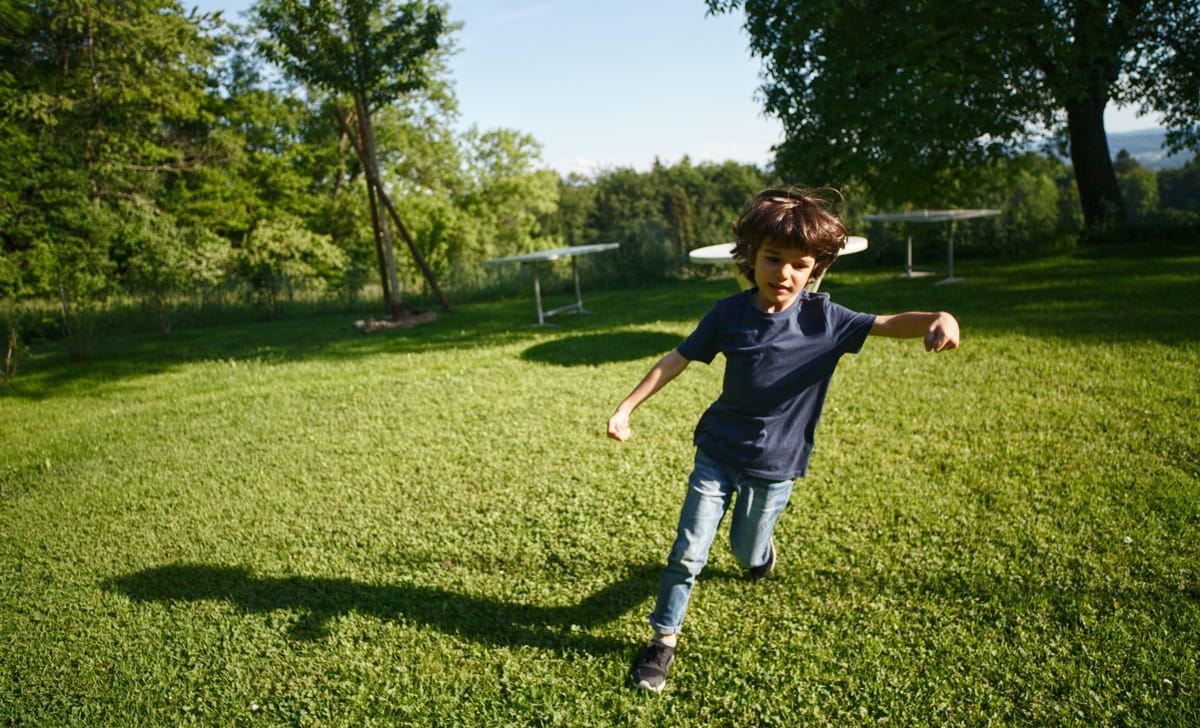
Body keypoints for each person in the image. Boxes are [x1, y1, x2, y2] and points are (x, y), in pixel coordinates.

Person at [606, 187, 960, 692]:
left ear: (814, 270)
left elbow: (888, 323)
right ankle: (663, 640)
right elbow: (677, 359)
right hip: (719, 450)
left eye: (799, 264)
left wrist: (937, 318)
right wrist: (626, 407)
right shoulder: (728, 314)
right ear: (751, 257)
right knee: (688, 551)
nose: (784, 273)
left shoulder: (826, 320)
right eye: (773, 259)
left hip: (776, 462)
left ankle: (761, 555)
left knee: (746, 552)